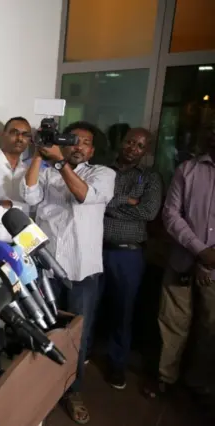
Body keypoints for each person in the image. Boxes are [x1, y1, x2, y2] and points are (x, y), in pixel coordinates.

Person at [20, 121, 115, 425]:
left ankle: (73, 391)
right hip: (46, 266)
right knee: (45, 328)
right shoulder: (48, 171)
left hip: (81, 270)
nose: (78, 146)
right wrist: (39, 153)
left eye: (84, 142)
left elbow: (84, 195)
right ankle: (42, 390)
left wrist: (59, 160)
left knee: (78, 336)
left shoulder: (103, 175)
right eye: (72, 140)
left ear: (92, 149)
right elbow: (28, 195)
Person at [152, 118, 215, 402]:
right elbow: (171, 214)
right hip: (182, 261)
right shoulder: (188, 170)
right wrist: (200, 250)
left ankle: (200, 382)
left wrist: (209, 259)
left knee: (210, 328)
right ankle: (166, 377)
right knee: (172, 322)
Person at [98, 128, 162, 389]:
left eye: (139, 145)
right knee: (88, 308)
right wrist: (128, 202)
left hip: (129, 253)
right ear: (121, 142)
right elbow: (94, 202)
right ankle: (83, 352)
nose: (132, 148)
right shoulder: (102, 171)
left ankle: (117, 364)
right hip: (96, 249)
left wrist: (109, 205)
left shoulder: (150, 178)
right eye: (129, 142)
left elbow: (148, 211)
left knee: (123, 312)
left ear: (145, 151)